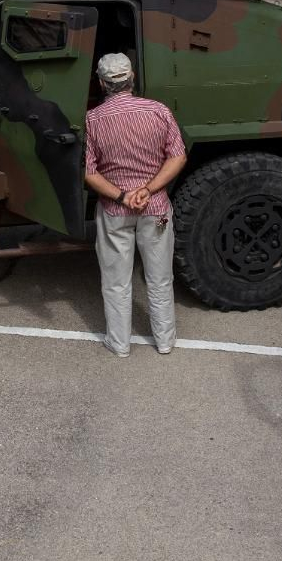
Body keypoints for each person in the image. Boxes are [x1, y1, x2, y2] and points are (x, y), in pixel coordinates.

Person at [83, 53, 187, 357]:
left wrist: (123, 196)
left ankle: (119, 344)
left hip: (114, 211)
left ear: (101, 84)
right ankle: (165, 341)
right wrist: (148, 189)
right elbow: (178, 156)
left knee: (116, 281)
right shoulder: (158, 111)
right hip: (156, 209)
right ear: (133, 78)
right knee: (160, 278)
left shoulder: (93, 120)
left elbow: (89, 172)